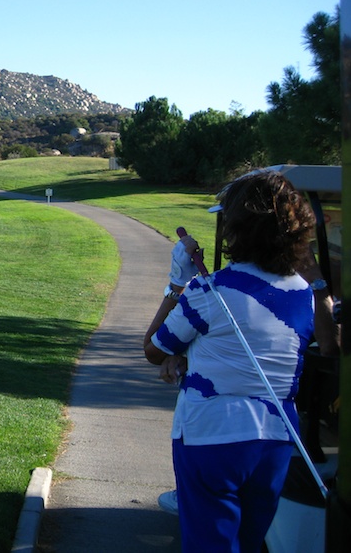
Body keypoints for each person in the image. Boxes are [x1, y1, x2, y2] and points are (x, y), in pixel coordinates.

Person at [143, 169, 318, 553]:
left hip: (211, 435)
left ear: (238, 229)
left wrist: (176, 284)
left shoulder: (210, 290)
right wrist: (191, 355)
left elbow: (154, 349)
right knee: (250, 544)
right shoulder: (304, 294)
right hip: (276, 440)